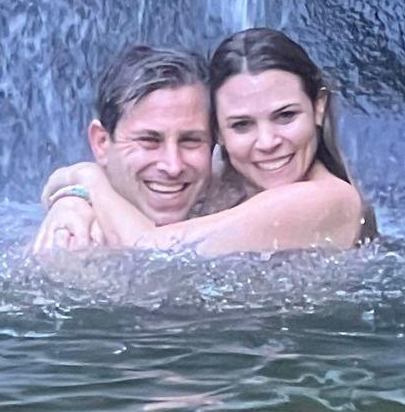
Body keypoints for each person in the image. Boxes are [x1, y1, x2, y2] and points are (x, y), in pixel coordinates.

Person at [39, 28, 374, 255]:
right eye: (242, 125)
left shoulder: (330, 199)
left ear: (318, 107)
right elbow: (52, 187)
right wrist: (72, 199)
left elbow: (161, 256)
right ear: (220, 134)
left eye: (285, 116)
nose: (268, 141)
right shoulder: (223, 181)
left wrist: (89, 179)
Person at [31, 45, 219, 253]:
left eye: (190, 140)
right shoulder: (74, 241)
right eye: (149, 140)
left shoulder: (243, 201)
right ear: (101, 142)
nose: (173, 166)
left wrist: (86, 180)